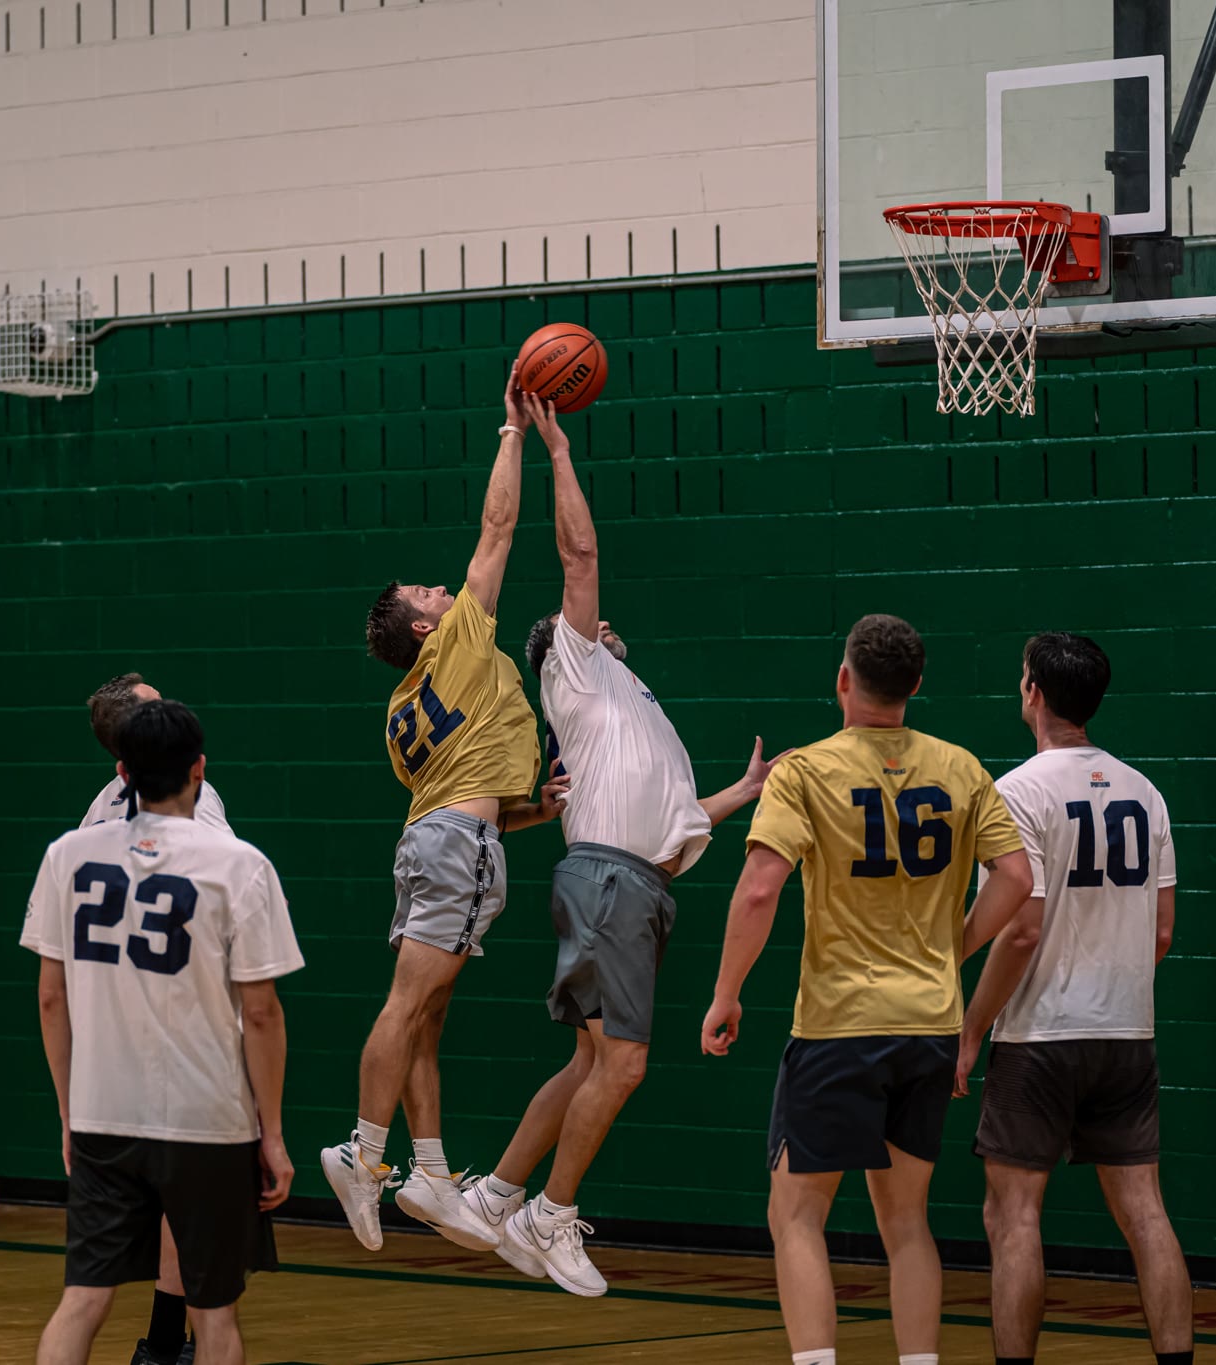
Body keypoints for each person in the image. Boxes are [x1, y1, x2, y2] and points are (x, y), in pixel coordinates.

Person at [451, 394, 787, 1296]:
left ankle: (496, 1193)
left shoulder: (632, 704)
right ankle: (549, 1215)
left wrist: (740, 793)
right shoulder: (575, 664)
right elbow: (580, 556)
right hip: (610, 883)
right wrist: (558, 450)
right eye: (589, 623)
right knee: (627, 1062)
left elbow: (670, 822)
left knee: (593, 1061)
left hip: (634, 880)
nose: (602, 621)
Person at [702, 614, 1035, 1365]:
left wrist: (726, 992)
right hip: (929, 1024)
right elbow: (1016, 877)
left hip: (839, 1025)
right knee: (907, 1222)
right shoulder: (961, 767)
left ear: (844, 679)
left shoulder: (805, 770)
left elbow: (759, 890)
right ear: (915, 684)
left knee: (796, 1215)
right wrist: (952, 949)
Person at [322, 363, 559, 1254]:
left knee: (427, 1012)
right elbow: (497, 529)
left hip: (437, 836)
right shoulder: (460, 639)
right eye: (426, 594)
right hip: (456, 847)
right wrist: (514, 431)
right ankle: (362, 1152)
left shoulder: (399, 714)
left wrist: (534, 811)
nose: (440, 589)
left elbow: (465, 796)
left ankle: (428, 1170)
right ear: (425, 628)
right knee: (406, 1004)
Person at [24, 699, 302, 1365]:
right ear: (199, 769)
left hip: (102, 1110)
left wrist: (67, 1112)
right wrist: (270, 1131)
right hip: (207, 1116)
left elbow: (51, 997)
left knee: (81, 1300)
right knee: (215, 1315)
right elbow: (261, 1013)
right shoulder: (240, 864)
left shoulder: (66, 856)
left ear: (122, 773)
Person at [952, 633, 1193, 1365]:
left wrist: (971, 1028)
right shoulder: (1145, 792)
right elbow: (1162, 931)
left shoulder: (1018, 791)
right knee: (1146, 1212)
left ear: (1033, 692)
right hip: (1127, 1033)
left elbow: (1021, 931)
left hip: (1040, 1036)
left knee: (1013, 1215)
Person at [78, 673, 231, 1365]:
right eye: (157, 704)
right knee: (197, 1222)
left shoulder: (93, 816)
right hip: (182, 1036)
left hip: (106, 1045)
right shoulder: (199, 803)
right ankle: (173, 1342)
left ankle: (162, 1342)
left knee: (90, 1274)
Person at [82, 673, 232, 834]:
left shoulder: (101, 803)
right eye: (159, 707)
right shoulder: (190, 795)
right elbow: (224, 850)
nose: (168, 714)